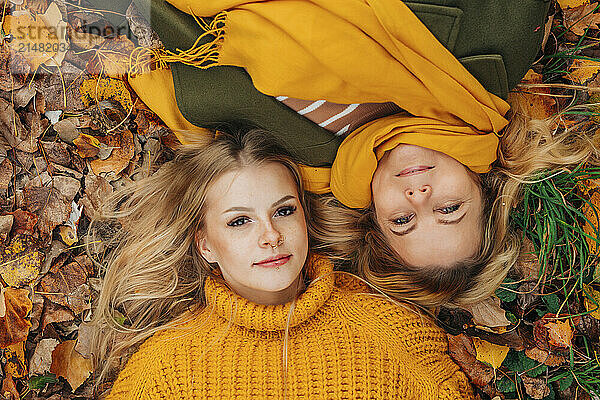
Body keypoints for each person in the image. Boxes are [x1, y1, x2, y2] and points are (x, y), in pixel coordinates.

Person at [88, 0, 599, 308]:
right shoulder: (501, 37)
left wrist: (39, 30)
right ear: (480, 184)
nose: (418, 195)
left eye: (403, 220)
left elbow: (120, 38)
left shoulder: (290, 157)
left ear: (374, 213)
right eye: (448, 209)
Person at [89, 129, 474, 399]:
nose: (270, 235)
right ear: (205, 245)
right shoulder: (164, 368)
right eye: (240, 221)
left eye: (284, 211)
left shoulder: (388, 326)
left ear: (304, 219)